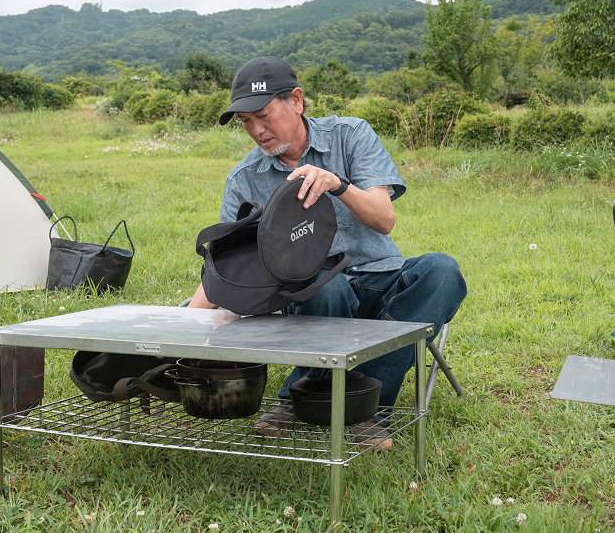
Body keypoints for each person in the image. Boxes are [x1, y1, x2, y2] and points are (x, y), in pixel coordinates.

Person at [188, 56, 467, 451]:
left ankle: (317, 398)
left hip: (383, 277)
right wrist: (178, 327)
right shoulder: (244, 180)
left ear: (297, 100)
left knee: (442, 271)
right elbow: (228, 272)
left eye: (263, 115)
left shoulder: (350, 136)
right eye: (245, 122)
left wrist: (338, 184)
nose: (256, 130)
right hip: (314, 294)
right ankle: (355, 409)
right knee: (324, 287)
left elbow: (384, 219)